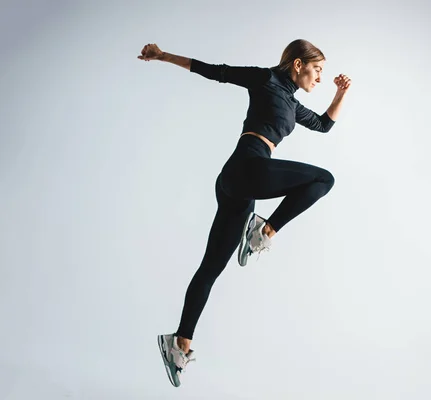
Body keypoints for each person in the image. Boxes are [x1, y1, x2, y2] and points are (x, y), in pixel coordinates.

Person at [137, 39, 351, 387]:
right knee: (323, 179)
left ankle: (179, 342)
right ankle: (264, 232)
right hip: (246, 168)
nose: (321, 78)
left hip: (239, 185)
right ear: (298, 64)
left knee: (211, 268)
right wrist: (162, 57)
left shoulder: (292, 103)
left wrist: (341, 93)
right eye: (318, 70)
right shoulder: (265, 79)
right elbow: (214, 71)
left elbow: (324, 125)